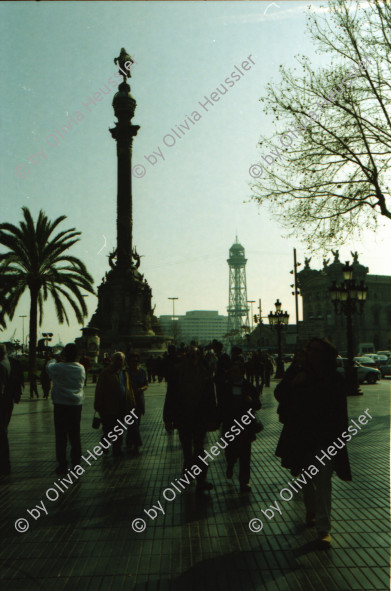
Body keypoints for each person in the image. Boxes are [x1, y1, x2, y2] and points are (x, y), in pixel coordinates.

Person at [274, 338, 352, 548]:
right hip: (303, 436)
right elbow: (279, 393)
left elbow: (340, 412)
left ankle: (324, 529)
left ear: (325, 354)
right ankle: (311, 511)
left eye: (315, 351)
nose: (311, 354)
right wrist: (293, 383)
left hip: (325, 437)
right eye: (309, 350)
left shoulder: (334, 378)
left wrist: (340, 441)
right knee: (306, 479)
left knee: (324, 483)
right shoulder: (299, 371)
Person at [164, 345, 217, 493]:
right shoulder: (178, 372)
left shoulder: (205, 373)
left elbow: (211, 398)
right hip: (183, 417)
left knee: (199, 449)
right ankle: (188, 473)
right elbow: (171, 396)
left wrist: (213, 418)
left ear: (200, 356)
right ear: (185, 356)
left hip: (199, 417)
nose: (192, 358)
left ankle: (200, 480)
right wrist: (167, 418)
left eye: (195, 355)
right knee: (187, 449)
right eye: (189, 356)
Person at [218, 360, 261, 492]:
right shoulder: (225, 386)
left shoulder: (248, 386)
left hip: (245, 425)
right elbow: (220, 405)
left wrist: (251, 401)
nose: (234, 374)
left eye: (237, 371)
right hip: (230, 425)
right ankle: (230, 465)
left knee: (245, 454)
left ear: (242, 372)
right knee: (230, 451)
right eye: (232, 371)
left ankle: (244, 481)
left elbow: (258, 405)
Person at [46, 344, 85, 475]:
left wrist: (54, 359)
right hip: (76, 404)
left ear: (64, 354)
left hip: (61, 405)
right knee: (75, 435)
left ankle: (62, 464)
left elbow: (49, 367)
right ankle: (76, 464)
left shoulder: (58, 367)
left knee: (61, 436)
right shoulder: (81, 368)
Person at [94, 352, 136, 456]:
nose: (118, 361)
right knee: (108, 429)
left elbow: (129, 389)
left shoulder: (124, 373)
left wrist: (132, 403)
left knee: (119, 429)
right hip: (108, 406)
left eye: (120, 359)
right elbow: (99, 389)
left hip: (122, 405)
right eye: (116, 359)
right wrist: (98, 405)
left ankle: (117, 449)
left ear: (123, 361)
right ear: (112, 360)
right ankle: (105, 443)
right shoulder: (105, 373)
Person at [0, 344, 24, 477]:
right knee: (3, 430)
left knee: (2, 432)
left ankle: (4, 465)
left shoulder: (7, 365)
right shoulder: (12, 362)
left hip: (4, 401)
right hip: (7, 401)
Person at [126, 352, 148, 451]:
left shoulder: (142, 372)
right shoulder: (126, 373)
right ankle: (136, 443)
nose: (134, 363)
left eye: (136, 361)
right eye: (132, 361)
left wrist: (141, 389)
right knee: (132, 422)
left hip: (139, 400)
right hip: (129, 401)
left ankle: (129, 442)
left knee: (136, 422)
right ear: (129, 362)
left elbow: (146, 384)